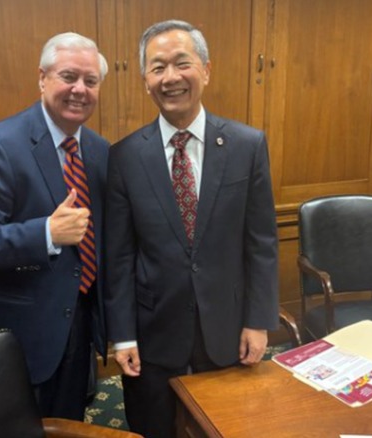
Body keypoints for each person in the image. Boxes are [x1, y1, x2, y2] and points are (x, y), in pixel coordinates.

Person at [104, 20, 279, 437]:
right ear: (145, 79)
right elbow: (119, 256)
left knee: (226, 426)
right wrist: (123, 335)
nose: (171, 77)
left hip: (228, 329)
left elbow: (261, 242)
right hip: (153, 335)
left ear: (205, 69)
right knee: (156, 426)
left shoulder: (247, 145)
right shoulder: (125, 156)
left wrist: (258, 321)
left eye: (182, 63)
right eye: (157, 67)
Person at [0, 32, 109, 420]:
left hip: (78, 328)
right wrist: (46, 234)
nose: (79, 90)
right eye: (68, 76)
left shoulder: (100, 150)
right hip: (16, 337)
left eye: (90, 81)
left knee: (68, 422)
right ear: (42, 78)